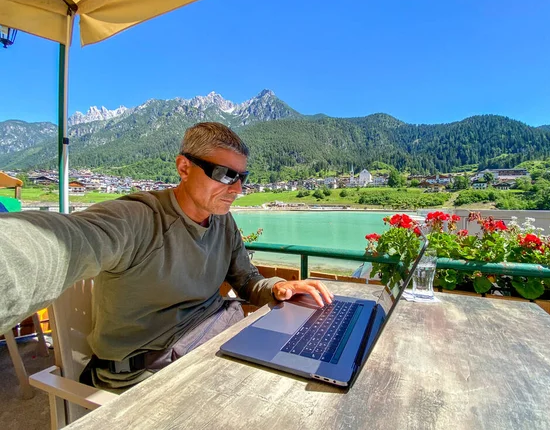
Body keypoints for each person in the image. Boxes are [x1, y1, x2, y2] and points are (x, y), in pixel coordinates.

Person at [0, 122, 333, 389]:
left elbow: (246, 280)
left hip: (209, 348)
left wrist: (279, 288)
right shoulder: (138, 218)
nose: (237, 188)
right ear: (184, 167)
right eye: (225, 174)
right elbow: (62, 241)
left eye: (242, 177)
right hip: (146, 376)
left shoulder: (222, 221)